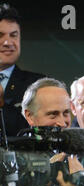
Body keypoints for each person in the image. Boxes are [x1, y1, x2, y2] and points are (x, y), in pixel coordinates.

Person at [0, 3, 45, 137]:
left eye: (13, 35)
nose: (8, 42)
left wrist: (2, 104)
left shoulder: (39, 84)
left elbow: (38, 132)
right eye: (0, 35)